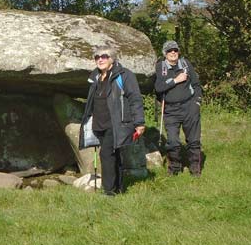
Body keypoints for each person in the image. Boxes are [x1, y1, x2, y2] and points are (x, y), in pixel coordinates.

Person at [79, 45, 145, 196]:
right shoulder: (95, 76)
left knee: (106, 154)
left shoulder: (124, 75)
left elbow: (135, 98)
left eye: (104, 56)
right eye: (97, 57)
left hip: (116, 123)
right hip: (99, 124)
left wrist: (139, 122)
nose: (100, 59)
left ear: (112, 59)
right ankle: (119, 188)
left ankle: (108, 191)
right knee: (114, 155)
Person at [154, 40, 202, 176]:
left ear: (178, 52)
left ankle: (195, 169)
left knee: (193, 140)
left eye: (175, 50)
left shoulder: (186, 64)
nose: (173, 53)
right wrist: (176, 80)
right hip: (170, 110)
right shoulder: (160, 67)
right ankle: (175, 168)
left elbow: (196, 84)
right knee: (173, 141)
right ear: (165, 53)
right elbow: (158, 87)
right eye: (169, 51)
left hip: (189, 107)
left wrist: (197, 102)